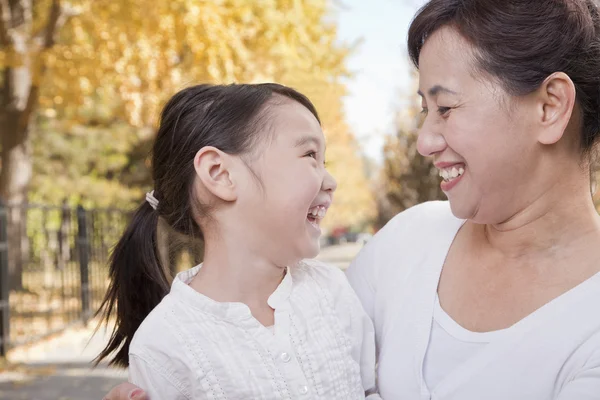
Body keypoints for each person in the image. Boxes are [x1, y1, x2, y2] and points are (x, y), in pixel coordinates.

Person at [105, 0, 600, 398]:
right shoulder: (410, 240)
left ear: (550, 106)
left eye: (446, 107)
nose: (425, 140)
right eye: (424, 110)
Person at [96, 83, 379, 399]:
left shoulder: (332, 292)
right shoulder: (163, 345)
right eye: (310, 154)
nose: (331, 181)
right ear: (220, 174)